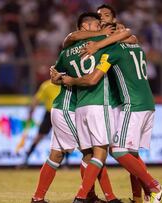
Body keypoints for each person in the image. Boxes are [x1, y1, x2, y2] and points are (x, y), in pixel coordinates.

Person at [32, 12, 130, 203]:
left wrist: (56, 77)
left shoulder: (67, 52)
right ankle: (103, 197)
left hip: (64, 106)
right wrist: (104, 35)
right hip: (69, 106)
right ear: (85, 26)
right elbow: (125, 34)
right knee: (93, 153)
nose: (100, 28)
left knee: (56, 155)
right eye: (96, 24)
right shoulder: (95, 44)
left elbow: (57, 73)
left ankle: (38, 198)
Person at [62, 41, 162, 203]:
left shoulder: (113, 50)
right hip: (146, 103)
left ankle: (155, 187)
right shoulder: (136, 47)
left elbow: (92, 79)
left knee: (116, 150)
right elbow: (129, 34)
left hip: (131, 105)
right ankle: (140, 197)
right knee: (132, 153)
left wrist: (71, 80)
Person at [21, 79, 60, 165]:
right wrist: (30, 114)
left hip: (62, 113)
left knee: (66, 138)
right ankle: (26, 159)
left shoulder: (66, 83)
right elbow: (36, 100)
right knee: (39, 136)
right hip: (50, 113)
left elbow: (36, 100)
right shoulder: (46, 85)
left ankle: (66, 164)